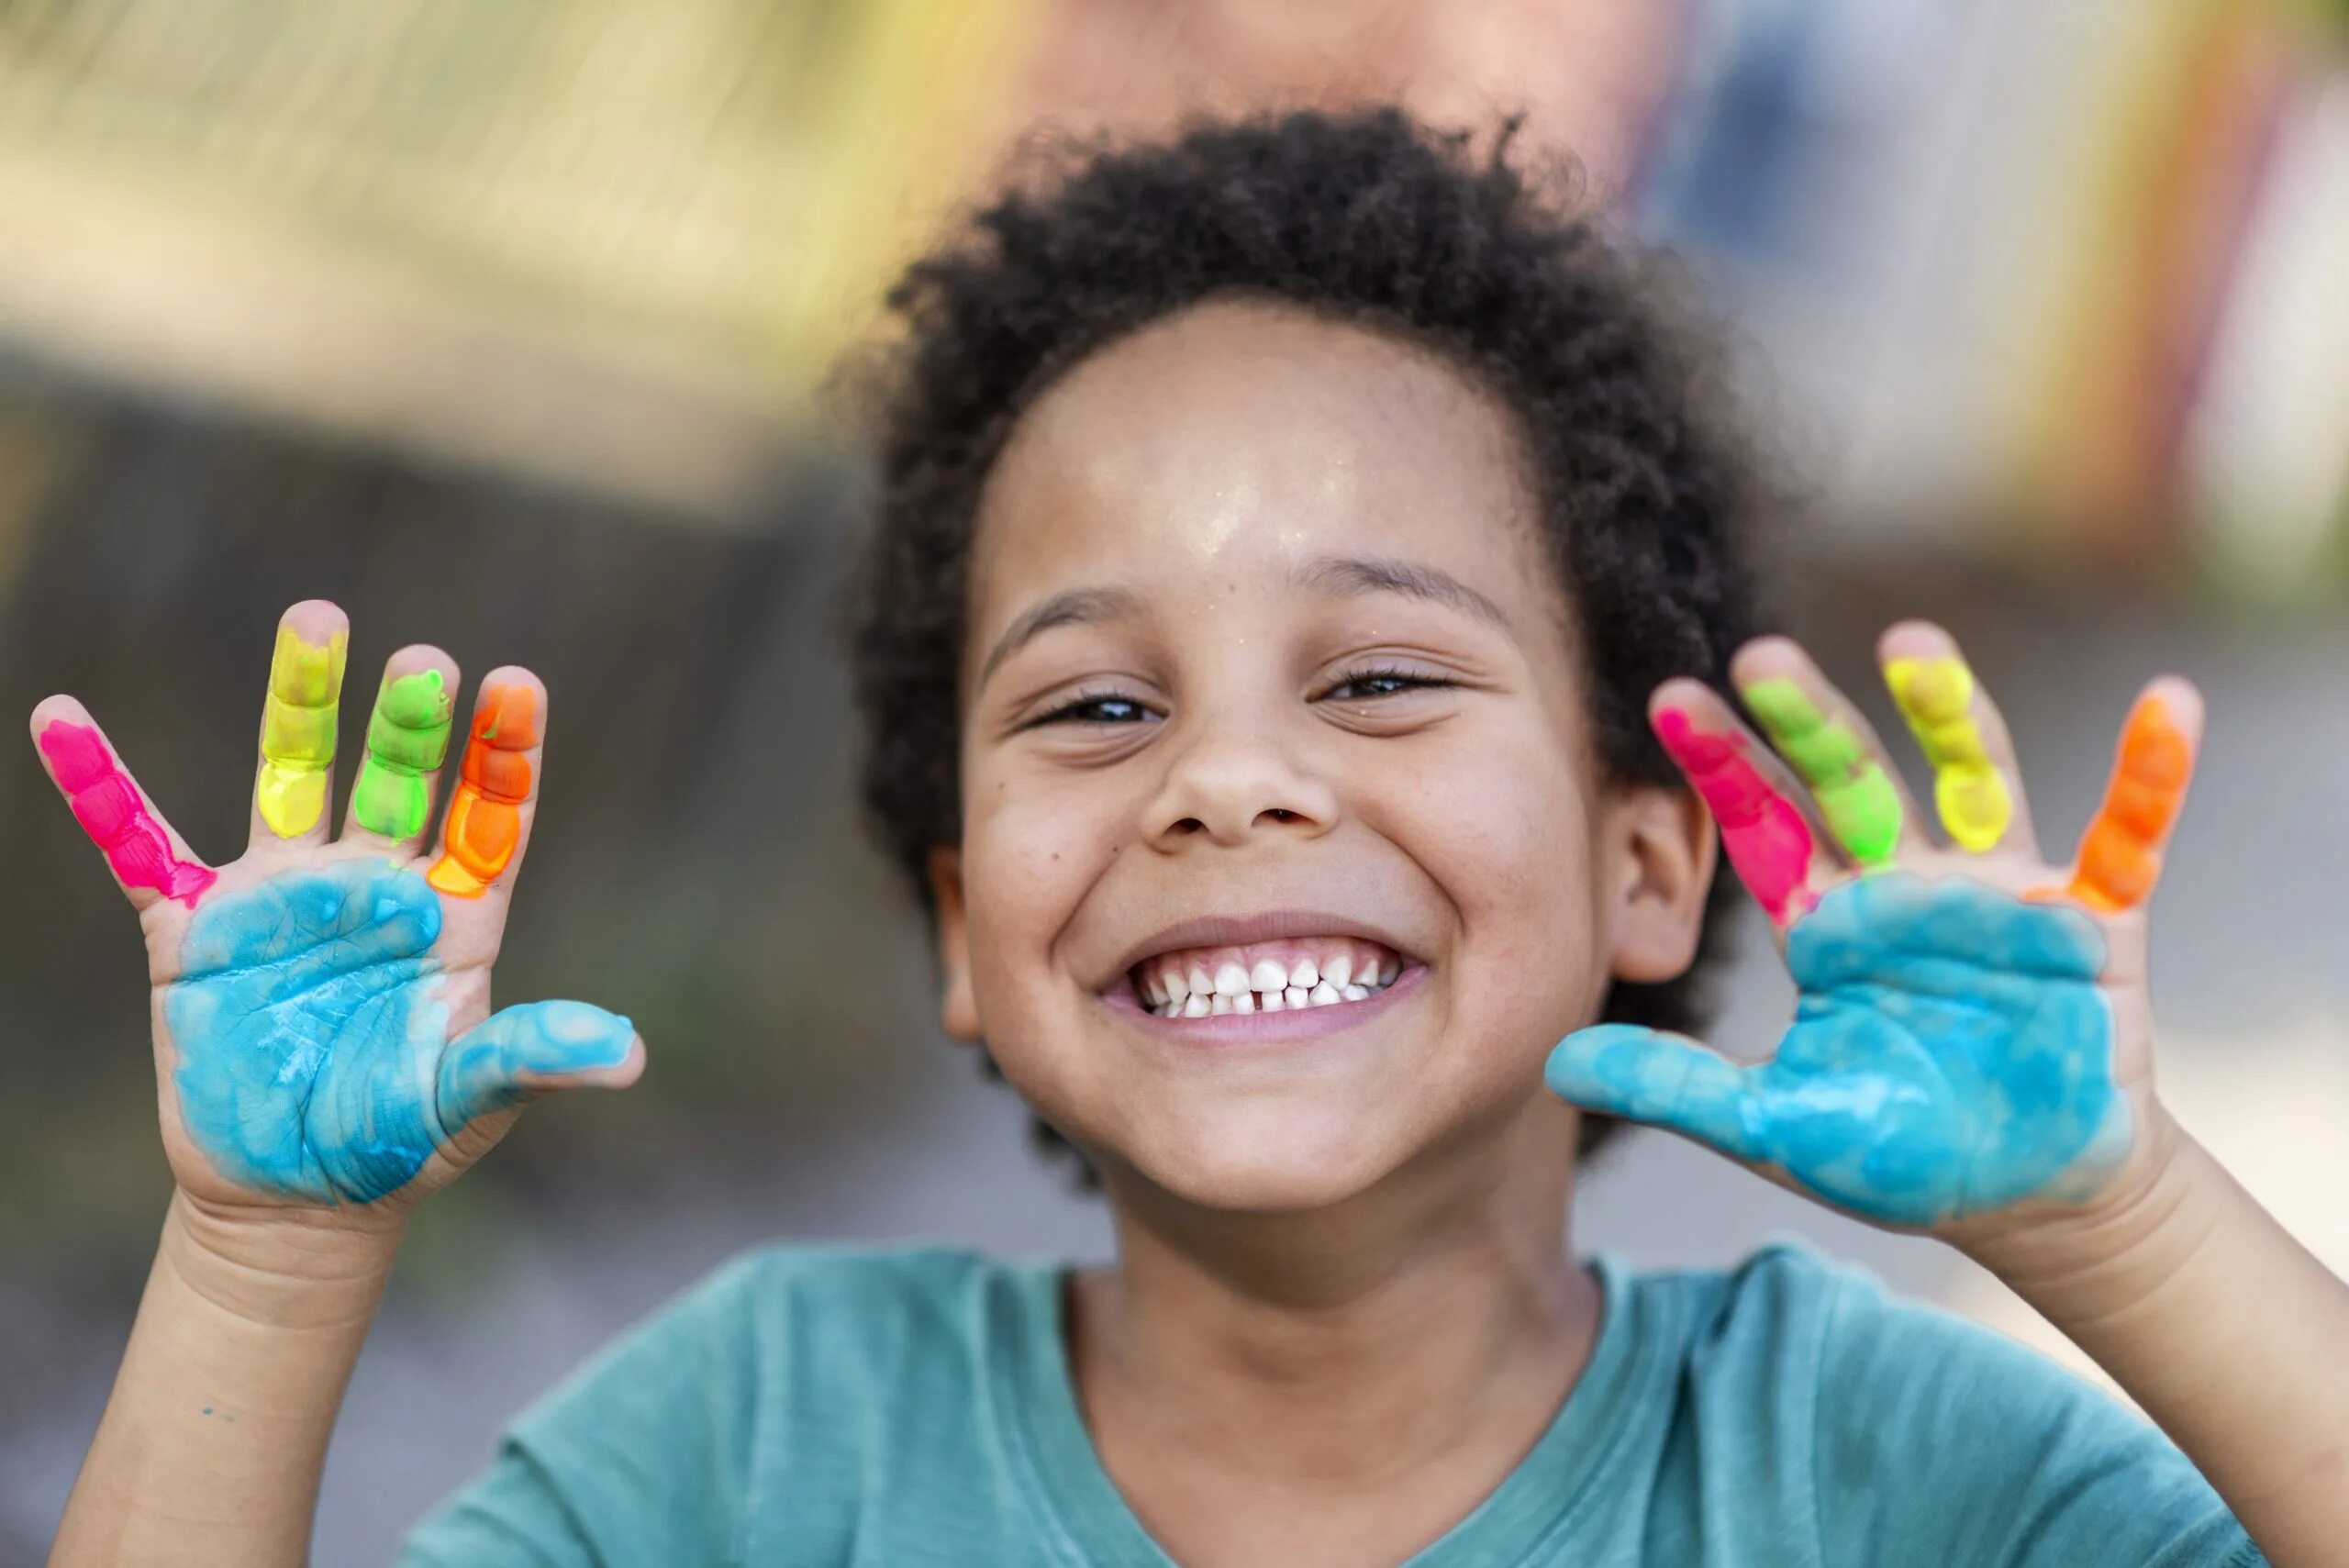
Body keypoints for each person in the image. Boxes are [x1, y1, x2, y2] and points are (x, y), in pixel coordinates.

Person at [37, 109, 2342, 1568]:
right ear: (964, 926)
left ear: (1652, 861)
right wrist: (260, 1255)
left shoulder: (1873, 1475)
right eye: (1095, 704)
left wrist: (2112, 1217)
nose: (1220, 783)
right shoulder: (762, 1436)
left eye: (1377, 677)